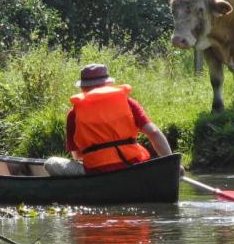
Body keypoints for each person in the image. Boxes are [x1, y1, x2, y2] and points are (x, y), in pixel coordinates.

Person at [45, 64, 179, 176]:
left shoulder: (74, 114)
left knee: (51, 163)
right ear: (108, 83)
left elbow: (78, 156)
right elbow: (154, 132)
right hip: (133, 165)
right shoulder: (128, 103)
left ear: (83, 87)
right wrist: (173, 165)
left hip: (97, 173)